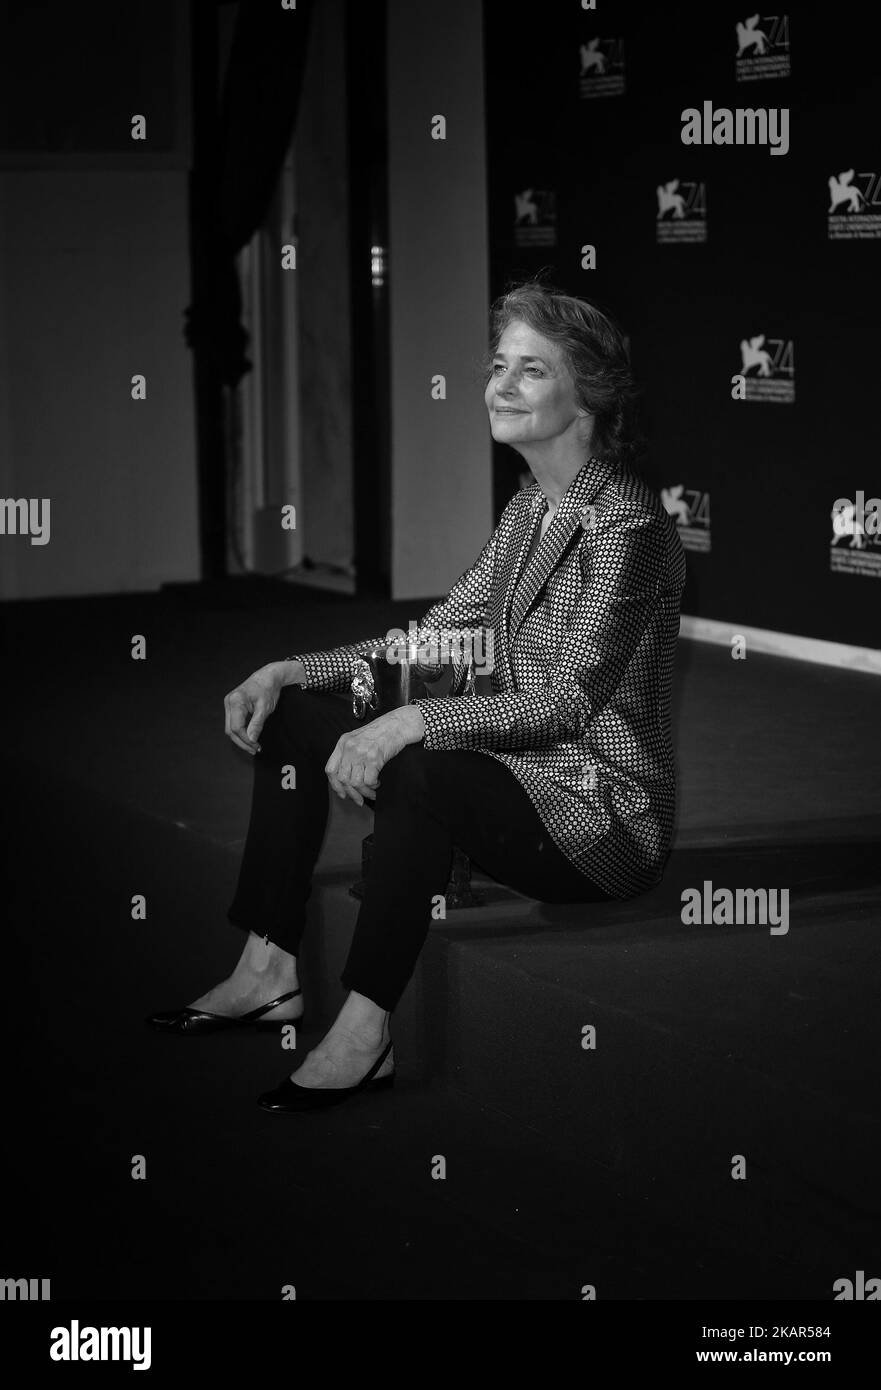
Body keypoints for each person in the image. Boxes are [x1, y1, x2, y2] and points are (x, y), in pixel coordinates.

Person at [147, 281, 686, 1112]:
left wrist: (414, 718)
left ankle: (365, 1033)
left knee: (417, 761)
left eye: (530, 370)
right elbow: (429, 641)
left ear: (589, 398)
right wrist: (294, 669)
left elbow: (570, 702)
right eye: (496, 365)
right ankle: (268, 970)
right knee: (294, 715)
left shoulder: (628, 525)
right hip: (510, 775)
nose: (500, 385)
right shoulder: (526, 511)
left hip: (593, 812)